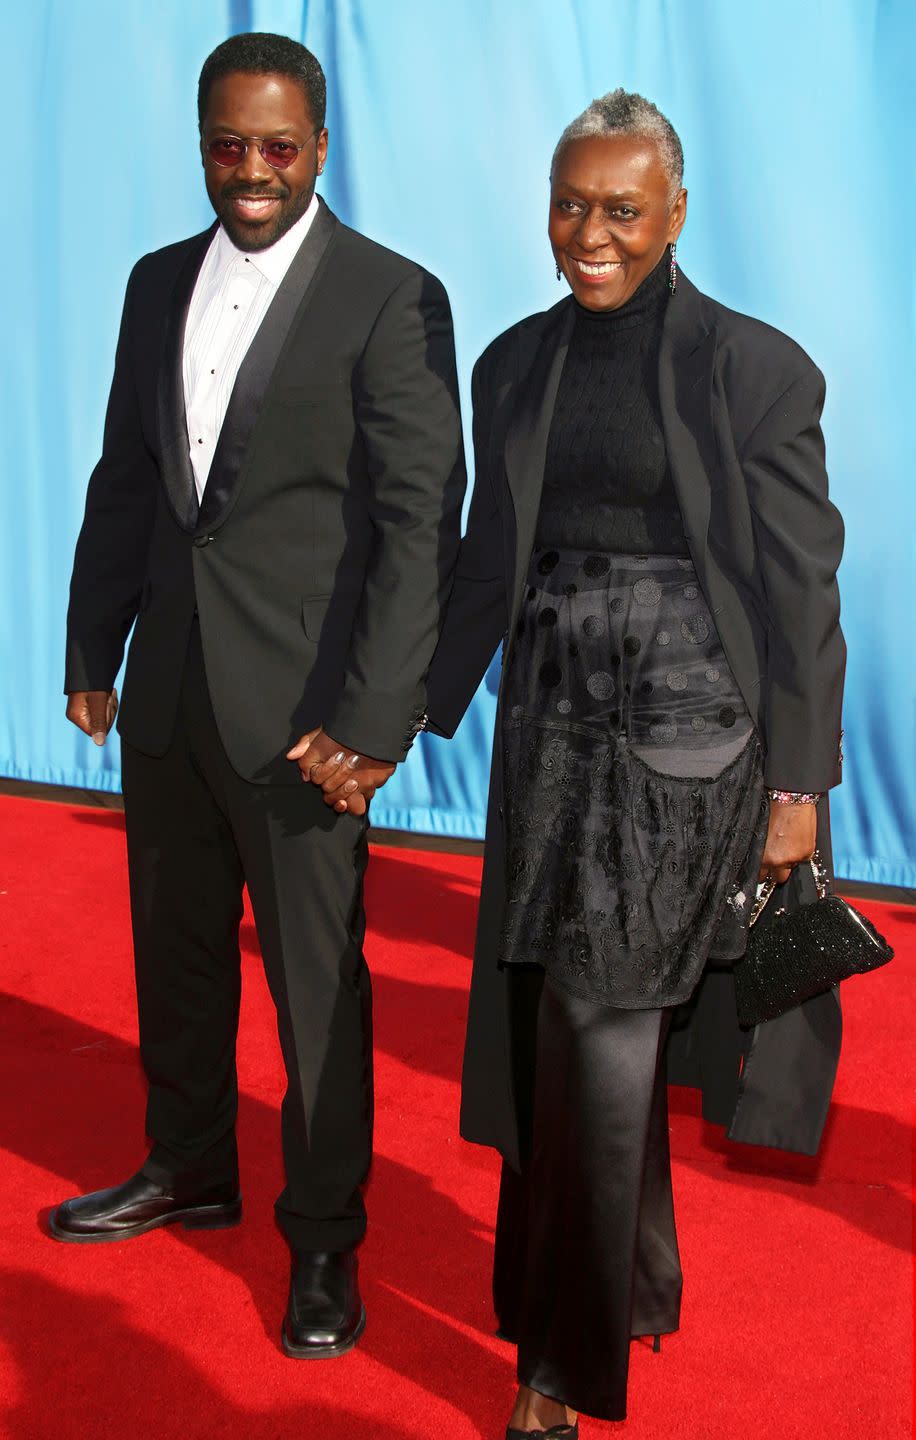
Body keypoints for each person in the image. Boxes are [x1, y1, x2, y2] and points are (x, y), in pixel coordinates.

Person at [422, 90, 845, 1434]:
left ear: (673, 212)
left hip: (685, 751)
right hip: (544, 744)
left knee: (602, 1034)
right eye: (570, 205)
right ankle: (630, 1281)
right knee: (553, 1038)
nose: (588, 234)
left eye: (618, 209)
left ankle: (557, 1377)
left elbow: (799, 593)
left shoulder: (757, 370)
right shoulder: (514, 365)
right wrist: (394, 721)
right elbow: (489, 567)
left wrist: (797, 789)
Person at [56, 31, 465, 1361]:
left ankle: (327, 1242)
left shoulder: (390, 296)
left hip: (306, 724)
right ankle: (189, 1165)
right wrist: (90, 649)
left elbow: (420, 526)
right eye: (229, 145)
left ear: (321, 149)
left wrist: (374, 719)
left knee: (314, 994)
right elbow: (128, 474)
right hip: (169, 692)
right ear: (201, 142)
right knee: (172, 960)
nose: (252, 170)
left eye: (278, 147)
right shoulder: (152, 281)